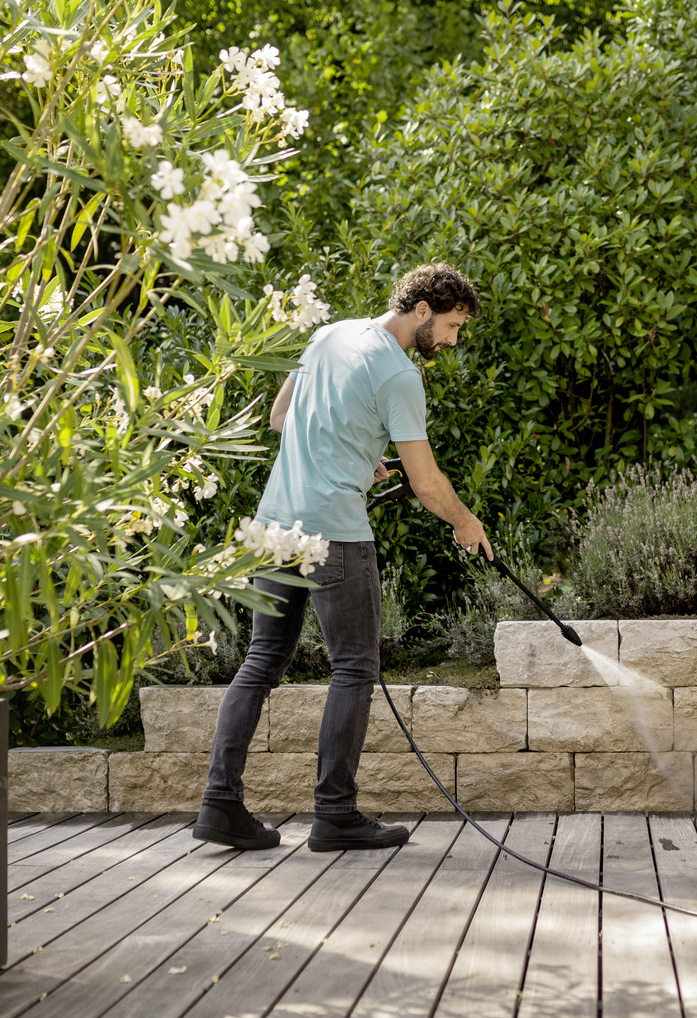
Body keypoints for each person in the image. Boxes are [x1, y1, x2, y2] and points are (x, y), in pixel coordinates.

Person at [192, 263, 491, 852]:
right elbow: (428, 484)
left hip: (274, 527)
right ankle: (335, 815)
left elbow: (283, 420)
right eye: (453, 325)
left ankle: (219, 805)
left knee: (259, 662)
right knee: (355, 668)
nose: (453, 340)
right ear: (424, 309)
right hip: (336, 536)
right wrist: (466, 522)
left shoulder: (328, 335)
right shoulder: (400, 377)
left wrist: (358, 457)